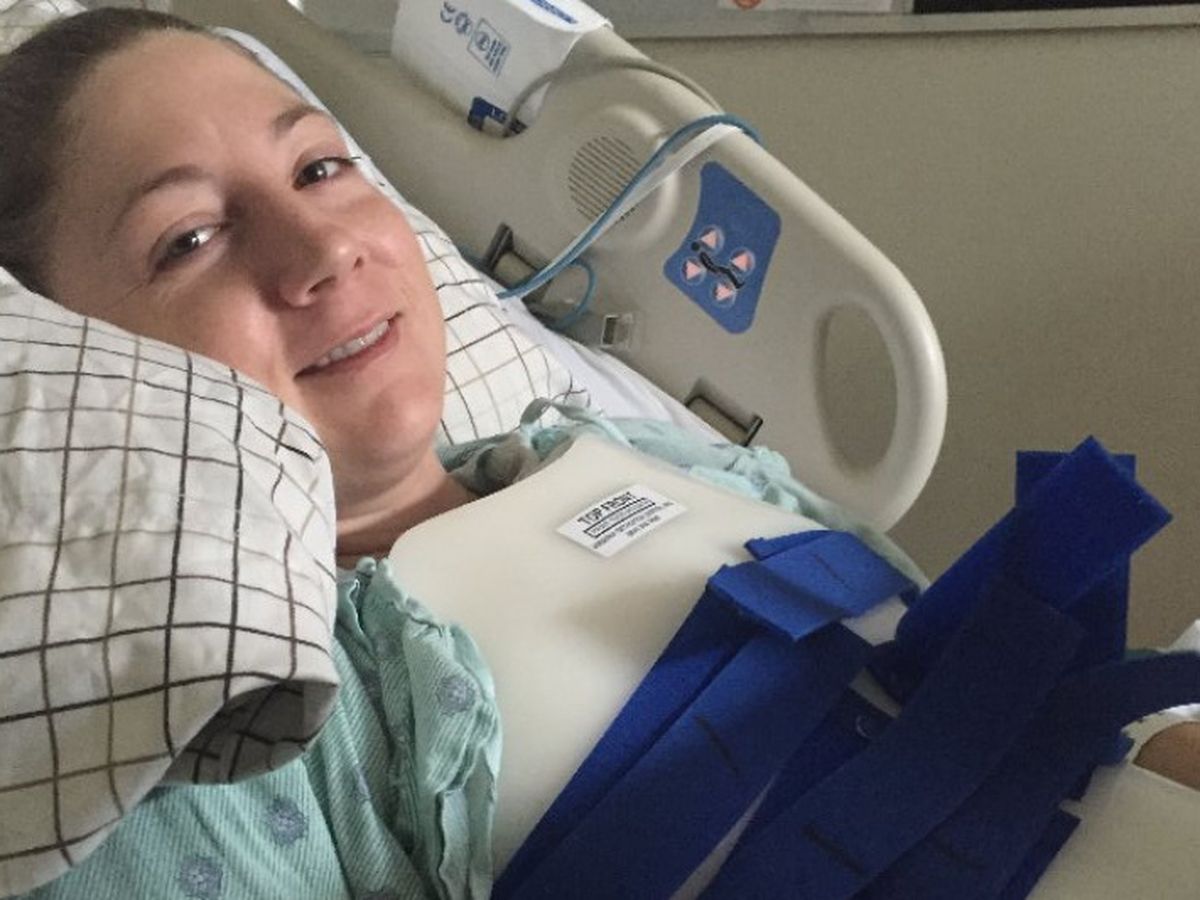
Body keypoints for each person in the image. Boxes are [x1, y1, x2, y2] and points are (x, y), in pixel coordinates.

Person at [0, 8, 1196, 899]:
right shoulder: (206, 725)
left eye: (320, 166)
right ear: (73, 372)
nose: (321, 248)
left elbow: (983, 700)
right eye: (190, 239)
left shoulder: (638, 452)